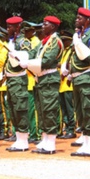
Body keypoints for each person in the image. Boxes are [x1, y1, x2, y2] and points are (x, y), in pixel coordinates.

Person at [24, 16, 63, 155]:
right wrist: (18, 55)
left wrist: (27, 64)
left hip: (49, 78)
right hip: (41, 79)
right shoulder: (43, 42)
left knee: (49, 109)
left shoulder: (54, 42)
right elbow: (31, 53)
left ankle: (51, 142)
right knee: (42, 110)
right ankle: (45, 138)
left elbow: (46, 60)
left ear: (52, 27)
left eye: (45, 24)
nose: (42, 27)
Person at [67, 8, 90, 157]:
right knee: (80, 113)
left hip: (87, 78)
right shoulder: (80, 35)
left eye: (79, 18)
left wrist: (79, 45)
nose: (76, 20)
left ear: (87, 21)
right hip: (78, 79)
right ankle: (86, 143)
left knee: (89, 112)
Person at [4, 15, 32, 152]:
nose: (7, 29)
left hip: (19, 79)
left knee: (20, 109)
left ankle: (24, 140)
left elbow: (26, 59)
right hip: (10, 79)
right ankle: (18, 138)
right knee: (13, 109)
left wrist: (15, 54)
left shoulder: (23, 42)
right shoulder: (11, 42)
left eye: (10, 27)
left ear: (17, 27)